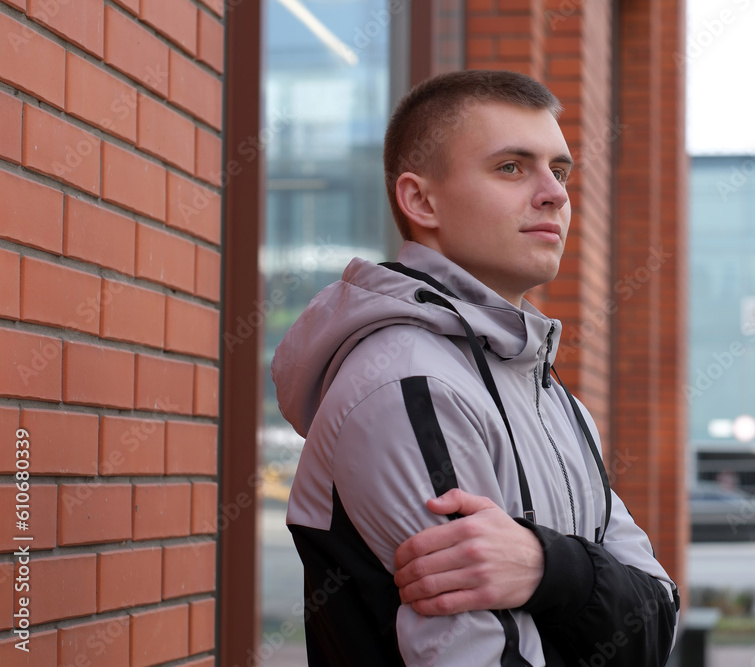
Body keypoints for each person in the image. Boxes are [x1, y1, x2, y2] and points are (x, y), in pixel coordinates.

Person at [271, 69, 679, 667]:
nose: (555, 194)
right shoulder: (410, 383)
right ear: (420, 201)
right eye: (512, 167)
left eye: (559, 170)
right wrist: (583, 587)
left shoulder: (551, 395)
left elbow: (657, 620)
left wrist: (547, 568)